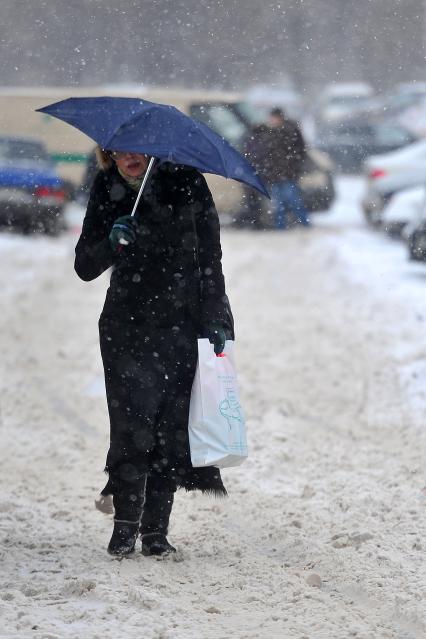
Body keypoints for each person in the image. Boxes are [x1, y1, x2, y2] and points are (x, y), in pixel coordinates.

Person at [74, 148, 234, 557]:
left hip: (182, 323)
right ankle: (125, 529)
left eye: (139, 152)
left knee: (170, 427)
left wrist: (218, 318)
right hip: (126, 326)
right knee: (132, 425)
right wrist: (112, 242)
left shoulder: (187, 183)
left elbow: (210, 259)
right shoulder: (106, 188)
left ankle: (155, 532)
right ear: (107, 153)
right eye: (120, 153)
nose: (130, 159)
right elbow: (84, 266)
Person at [259, 107, 310, 229]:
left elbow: (300, 151)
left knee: (293, 201)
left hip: (287, 174)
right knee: (278, 204)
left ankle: (304, 224)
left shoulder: (289, 131)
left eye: (273, 118)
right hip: (275, 174)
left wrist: (293, 166)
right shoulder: (270, 132)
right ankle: (281, 226)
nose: (271, 120)